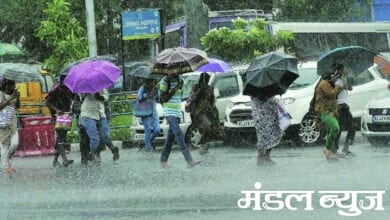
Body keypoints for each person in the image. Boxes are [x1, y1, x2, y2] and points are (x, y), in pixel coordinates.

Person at [159, 72, 201, 168]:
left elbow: (179, 97)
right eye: (172, 69)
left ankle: (163, 161)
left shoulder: (180, 80)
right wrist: (175, 89)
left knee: (170, 138)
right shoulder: (164, 81)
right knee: (179, 134)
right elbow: (163, 98)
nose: (175, 71)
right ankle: (189, 160)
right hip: (169, 112)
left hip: (177, 112)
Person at [79, 89, 119, 165]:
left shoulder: (102, 87)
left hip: (101, 113)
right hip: (88, 113)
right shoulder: (84, 86)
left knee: (105, 135)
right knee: (94, 138)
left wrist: (98, 95)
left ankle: (113, 149)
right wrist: (86, 92)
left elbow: (105, 98)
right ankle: (93, 155)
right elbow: (80, 97)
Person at [315, 63, 344, 160]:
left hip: (332, 111)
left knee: (330, 131)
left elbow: (334, 95)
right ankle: (327, 149)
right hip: (325, 112)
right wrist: (337, 86)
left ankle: (330, 152)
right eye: (333, 76)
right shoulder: (324, 83)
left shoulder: (329, 83)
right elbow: (331, 94)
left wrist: (340, 86)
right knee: (335, 128)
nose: (335, 77)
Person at [46, 75, 74, 167]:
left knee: (61, 137)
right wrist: (56, 110)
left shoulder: (69, 89)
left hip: (66, 115)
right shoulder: (55, 89)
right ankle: (64, 159)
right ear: (61, 81)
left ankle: (55, 160)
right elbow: (47, 102)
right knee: (60, 136)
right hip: (57, 116)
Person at [187, 72, 219, 154]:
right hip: (199, 112)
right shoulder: (196, 87)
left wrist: (215, 112)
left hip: (209, 111)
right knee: (206, 125)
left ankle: (204, 145)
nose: (206, 82)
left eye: (207, 80)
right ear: (201, 80)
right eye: (205, 80)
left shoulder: (209, 89)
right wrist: (200, 91)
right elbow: (191, 99)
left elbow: (212, 101)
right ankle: (202, 145)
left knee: (212, 129)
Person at [251, 92, 283, 165]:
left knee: (272, 136)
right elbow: (264, 104)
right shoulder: (255, 93)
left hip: (271, 117)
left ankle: (267, 156)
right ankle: (260, 157)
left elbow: (272, 103)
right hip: (262, 118)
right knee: (263, 137)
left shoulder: (268, 91)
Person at [334, 66, 356, 155]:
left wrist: (347, 81)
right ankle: (335, 149)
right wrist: (343, 86)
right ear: (338, 70)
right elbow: (334, 93)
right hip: (339, 106)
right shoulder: (334, 80)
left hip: (345, 106)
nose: (344, 71)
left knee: (351, 127)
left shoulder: (343, 79)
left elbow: (350, 88)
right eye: (342, 70)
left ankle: (345, 147)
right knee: (340, 128)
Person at [0, 79, 20, 173]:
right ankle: (5, 166)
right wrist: (10, 99)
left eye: (13, 84)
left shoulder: (15, 93)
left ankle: (6, 158)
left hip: (12, 120)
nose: (12, 86)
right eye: (10, 84)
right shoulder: (1, 93)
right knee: (4, 144)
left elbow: (18, 106)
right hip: (3, 121)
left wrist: (18, 97)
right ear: (5, 84)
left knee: (15, 143)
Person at [136, 78, 160, 153]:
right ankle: (148, 149)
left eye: (153, 81)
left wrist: (156, 93)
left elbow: (158, 99)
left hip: (154, 112)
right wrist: (148, 95)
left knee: (157, 130)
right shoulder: (143, 88)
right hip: (145, 113)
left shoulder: (155, 88)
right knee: (148, 130)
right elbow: (139, 98)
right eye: (151, 81)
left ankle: (147, 142)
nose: (152, 83)